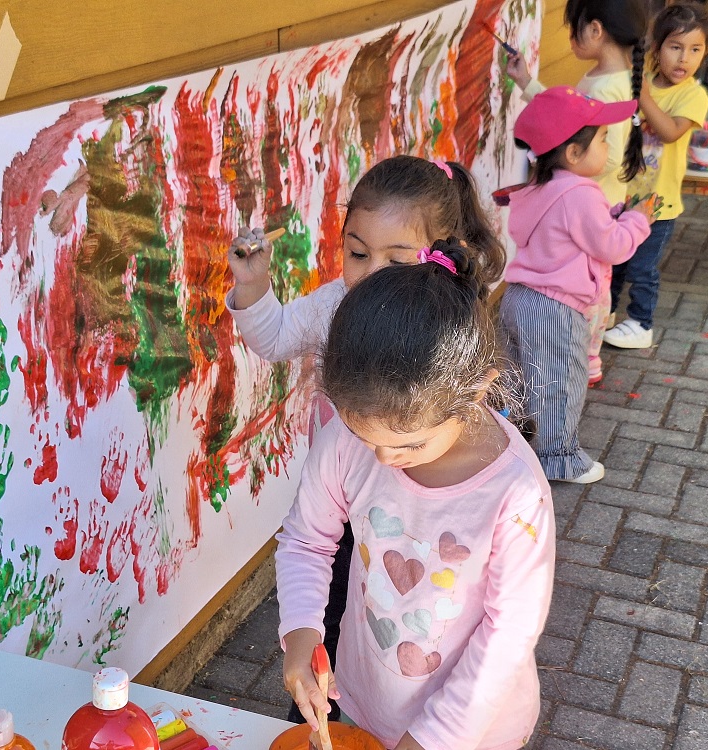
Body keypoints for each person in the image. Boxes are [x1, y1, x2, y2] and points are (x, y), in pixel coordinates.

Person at [224, 155, 508, 722]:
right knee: (329, 608)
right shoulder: (335, 304)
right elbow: (278, 337)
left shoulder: (444, 323)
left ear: (437, 252)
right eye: (357, 253)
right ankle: (319, 709)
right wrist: (253, 288)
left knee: (411, 616)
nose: (369, 271)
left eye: (394, 257)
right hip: (341, 499)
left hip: (417, 515)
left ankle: (422, 714)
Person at [275, 240, 555, 750]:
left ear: (473, 394)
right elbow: (307, 541)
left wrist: (429, 740)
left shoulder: (516, 494)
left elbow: (506, 637)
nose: (382, 460)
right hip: (365, 705)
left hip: (475, 733)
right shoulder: (345, 437)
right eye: (367, 438)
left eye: (409, 444)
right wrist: (301, 636)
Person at [500, 87, 654, 484]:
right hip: (555, 306)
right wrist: (638, 221)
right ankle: (558, 459)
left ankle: (515, 445)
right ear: (571, 153)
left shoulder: (536, 188)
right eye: (603, 139)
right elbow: (614, 246)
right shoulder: (581, 192)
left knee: (522, 377)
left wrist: (614, 215)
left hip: (519, 298)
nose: (608, 146)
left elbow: (573, 233)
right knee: (560, 382)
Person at [506, 0, 648, 384]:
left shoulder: (606, 86)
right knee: (593, 290)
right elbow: (567, 125)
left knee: (593, 293)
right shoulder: (607, 80)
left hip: (591, 209)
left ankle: (582, 361)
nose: (569, 39)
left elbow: (601, 152)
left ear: (597, 30)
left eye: (574, 29)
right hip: (591, 209)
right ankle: (582, 361)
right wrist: (527, 83)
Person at [604, 0, 708, 349]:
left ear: (705, 53)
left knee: (642, 269)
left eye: (694, 49)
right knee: (615, 263)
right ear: (657, 47)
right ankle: (604, 314)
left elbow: (669, 131)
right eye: (675, 47)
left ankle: (640, 323)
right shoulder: (646, 84)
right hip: (623, 198)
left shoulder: (693, 95)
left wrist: (644, 96)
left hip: (658, 206)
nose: (684, 58)